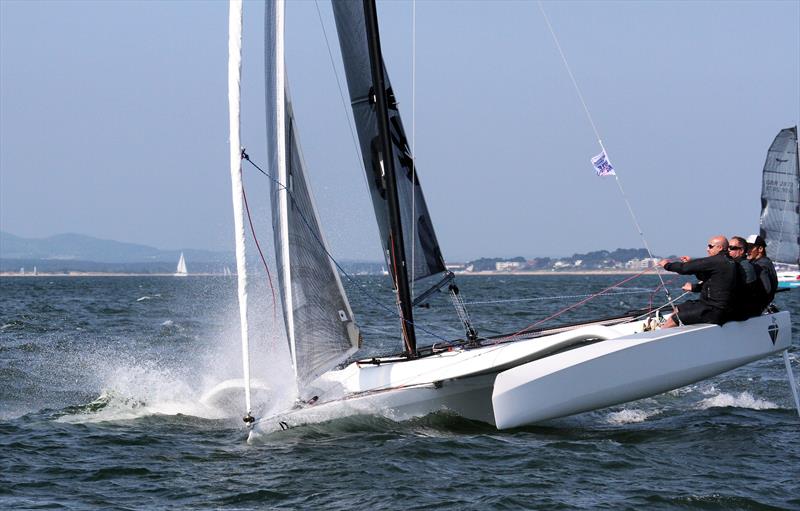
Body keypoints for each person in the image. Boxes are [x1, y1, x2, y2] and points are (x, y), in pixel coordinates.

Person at [657, 235, 739, 328]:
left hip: (714, 311)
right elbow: (707, 276)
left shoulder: (716, 261)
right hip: (712, 306)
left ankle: (656, 336)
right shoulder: (729, 261)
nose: (707, 249)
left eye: (710, 246)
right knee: (679, 308)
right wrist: (691, 263)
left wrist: (666, 265)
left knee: (675, 318)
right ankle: (664, 326)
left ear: (720, 248)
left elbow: (684, 269)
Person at [728, 235, 763, 320]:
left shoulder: (744, 265)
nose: (728, 250)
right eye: (728, 247)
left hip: (745, 311)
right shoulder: (745, 263)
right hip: (750, 309)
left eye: (732, 248)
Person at [746, 234, 778, 311]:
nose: (747, 251)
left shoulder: (760, 265)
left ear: (760, 249)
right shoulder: (766, 261)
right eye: (746, 248)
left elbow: (767, 289)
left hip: (757, 307)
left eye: (750, 248)